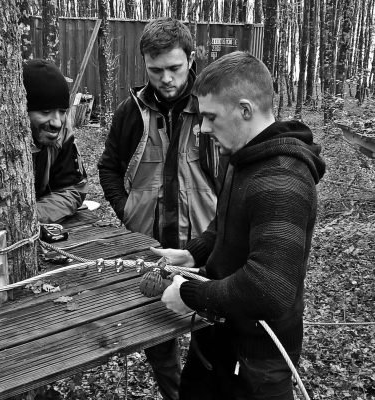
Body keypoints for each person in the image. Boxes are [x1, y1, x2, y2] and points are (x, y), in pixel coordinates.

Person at [152, 51, 326, 400]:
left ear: (245, 110)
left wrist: (189, 296)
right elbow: (225, 225)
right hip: (218, 339)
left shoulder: (282, 179)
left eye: (211, 117)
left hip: (257, 360)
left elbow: (270, 288)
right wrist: (192, 253)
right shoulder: (244, 157)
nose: (203, 128)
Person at [98, 17, 224, 400]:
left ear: (191, 58)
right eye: (156, 71)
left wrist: (217, 235)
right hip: (149, 250)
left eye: (174, 68)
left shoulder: (213, 109)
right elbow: (109, 166)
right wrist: (127, 211)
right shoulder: (131, 112)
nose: (166, 79)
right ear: (145, 66)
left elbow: (236, 181)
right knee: (157, 339)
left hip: (204, 252)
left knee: (211, 338)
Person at [23, 59, 87, 224]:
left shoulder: (62, 133)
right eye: (45, 111)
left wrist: (30, 217)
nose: (57, 122)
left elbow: (73, 189)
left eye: (62, 111)